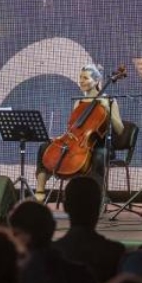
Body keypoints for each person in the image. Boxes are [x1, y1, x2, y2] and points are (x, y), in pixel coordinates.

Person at [35, 63, 124, 202]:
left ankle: (96, 196)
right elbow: (73, 128)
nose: (81, 81)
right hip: (78, 142)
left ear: (96, 81)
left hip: (100, 143)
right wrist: (62, 137)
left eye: (85, 78)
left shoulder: (108, 101)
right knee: (44, 147)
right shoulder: (78, 102)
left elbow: (120, 129)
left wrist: (108, 109)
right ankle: (40, 190)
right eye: (80, 77)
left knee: (100, 156)